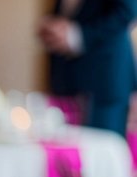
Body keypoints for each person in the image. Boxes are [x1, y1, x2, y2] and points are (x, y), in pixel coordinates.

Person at [37, 0, 137, 137]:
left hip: (104, 79)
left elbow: (127, 11)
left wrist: (78, 35)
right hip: (66, 78)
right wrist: (53, 28)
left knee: (102, 145)